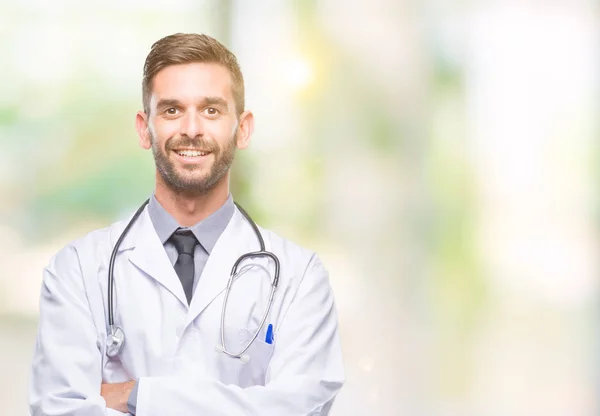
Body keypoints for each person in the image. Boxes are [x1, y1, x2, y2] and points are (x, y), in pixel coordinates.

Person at [28, 33, 345, 416]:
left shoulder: (300, 277)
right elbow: (60, 410)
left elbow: (299, 408)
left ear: (242, 129)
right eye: (172, 110)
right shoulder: (77, 269)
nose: (191, 129)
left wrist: (137, 396)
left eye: (211, 110)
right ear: (145, 128)